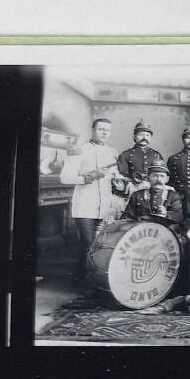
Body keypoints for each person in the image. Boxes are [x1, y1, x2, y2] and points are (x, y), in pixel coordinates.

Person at [60, 118, 123, 286]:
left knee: (100, 245)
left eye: (107, 130)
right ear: (92, 130)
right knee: (88, 244)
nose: (104, 133)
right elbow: (65, 178)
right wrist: (89, 177)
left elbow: (114, 175)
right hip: (85, 205)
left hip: (105, 206)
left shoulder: (112, 152)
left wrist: (118, 181)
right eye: (101, 129)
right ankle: (88, 283)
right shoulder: (80, 150)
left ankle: (81, 278)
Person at [121, 164, 184, 230]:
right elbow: (127, 217)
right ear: (148, 178)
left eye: (162, 176)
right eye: (155, 176)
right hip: (141, 232)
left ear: (167, 179)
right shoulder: (137, 195)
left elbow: (179, 217)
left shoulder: (173, 196)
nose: (158, 179)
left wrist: (167, 214)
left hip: (165, 233)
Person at [115, 121, 165, 194]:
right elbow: (122, 176)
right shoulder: (125, 155)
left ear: (151, 137)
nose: (144, 137)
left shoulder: (157, 155)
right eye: (141, 135)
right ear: (135, 136)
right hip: (134, 191)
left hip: (153, 191)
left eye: (147, 135)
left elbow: (162, 176)